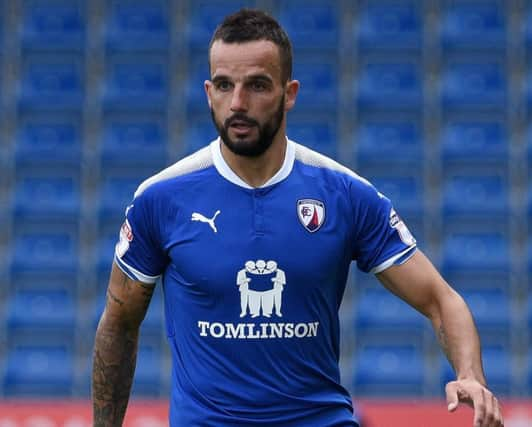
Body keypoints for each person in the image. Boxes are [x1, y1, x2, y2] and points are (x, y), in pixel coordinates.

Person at [92, 8, 504, 427]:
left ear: (289, 93)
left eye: (256, 85)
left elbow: (441, 299)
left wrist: (470, 376)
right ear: (208, 92)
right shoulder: (161, 199)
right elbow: (119, 324)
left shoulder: (345, 194)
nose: (237, 103)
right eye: (223, 85)